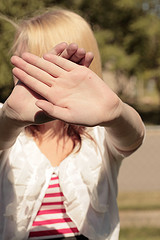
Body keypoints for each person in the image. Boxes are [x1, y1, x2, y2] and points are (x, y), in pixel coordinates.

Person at [0, 8, 145, 240]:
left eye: (30, 60)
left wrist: (117, 113)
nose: (18, 74)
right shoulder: (7, 121)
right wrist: (9, 117)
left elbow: (132, 136)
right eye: (19, 62)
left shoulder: (99, 134)